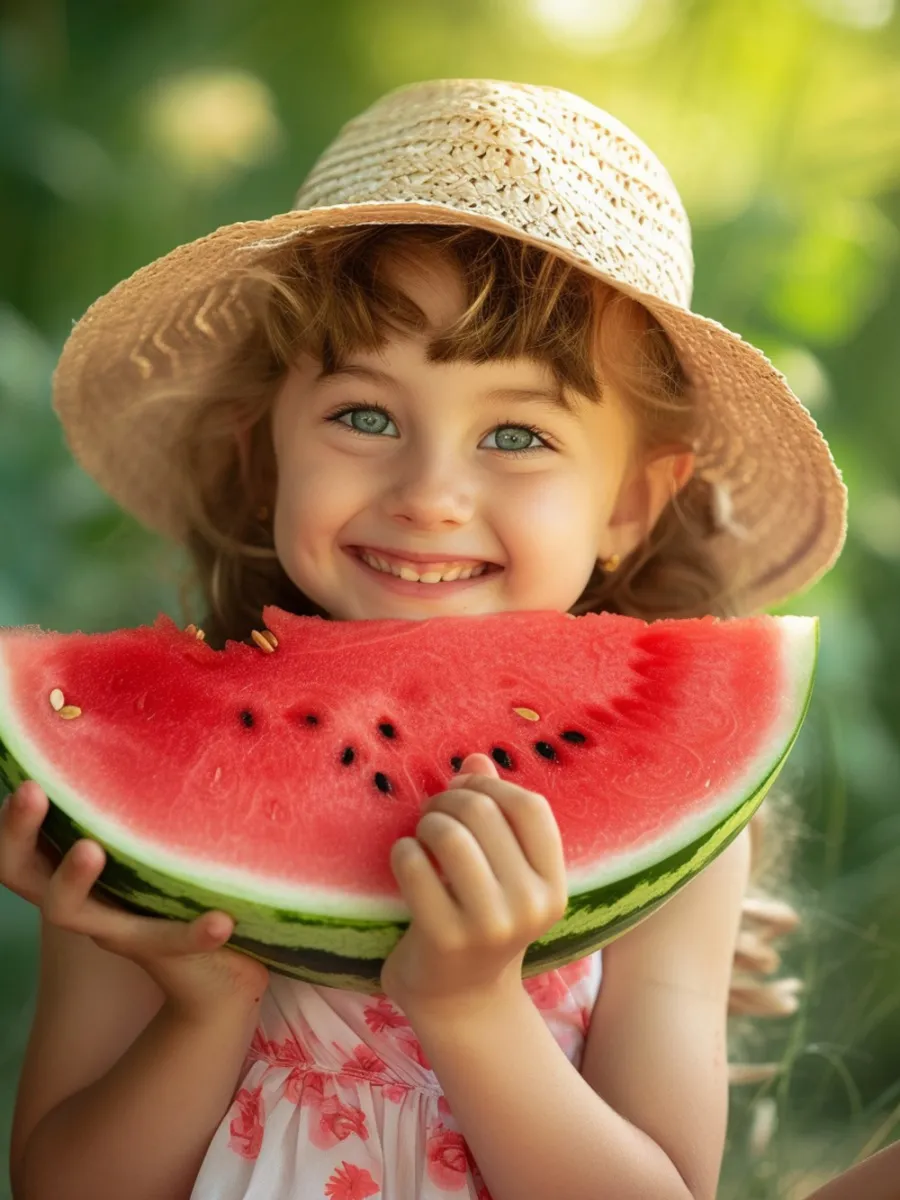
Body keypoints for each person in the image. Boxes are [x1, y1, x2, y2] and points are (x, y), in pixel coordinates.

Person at [1, 79, 847, 1200]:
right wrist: (208, 1000)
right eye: (364, 416)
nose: (430, 493)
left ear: (630, 507)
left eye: (516, 432)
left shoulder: (688, 853)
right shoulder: (139, 768)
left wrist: (473, 1009)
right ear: (264, 457)